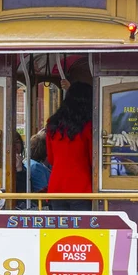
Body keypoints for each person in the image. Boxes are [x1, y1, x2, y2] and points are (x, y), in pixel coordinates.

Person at [46, 82, 93, 211]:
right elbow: (93, 159)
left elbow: (50, 158)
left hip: (57, 186)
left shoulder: (52, 123)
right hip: (81, 186)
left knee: (59, 228)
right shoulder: (88, 125)